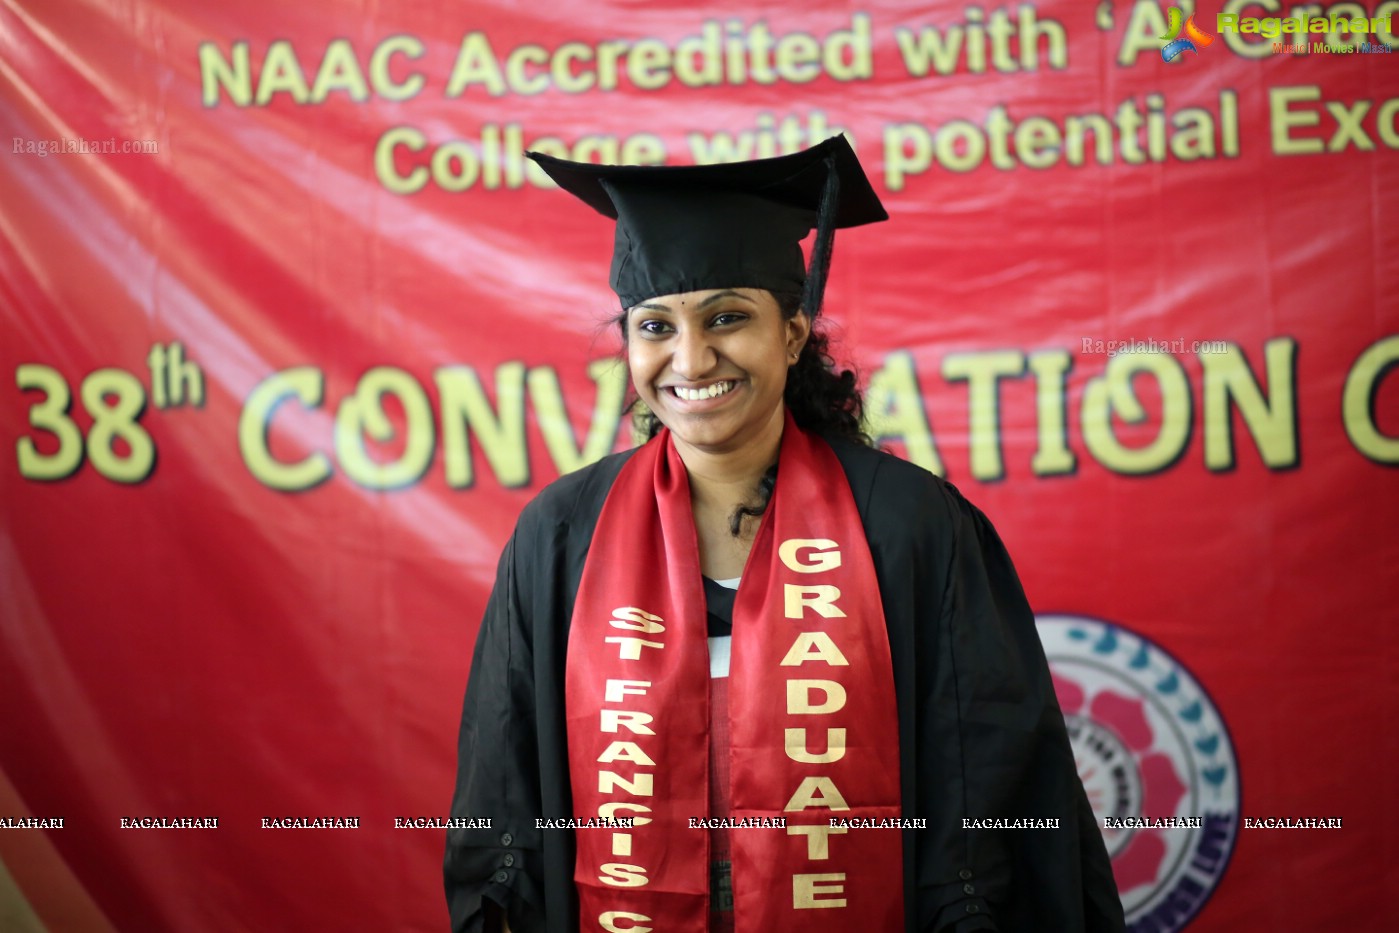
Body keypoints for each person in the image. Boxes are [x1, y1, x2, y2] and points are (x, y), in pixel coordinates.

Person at [444, 135, 1125, 933]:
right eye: (655, 326)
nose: (690, 357)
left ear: (794, 334)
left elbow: (988, 780)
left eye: (727, 317)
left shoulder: (906, 525)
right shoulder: (561, 536)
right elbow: (504, 786)